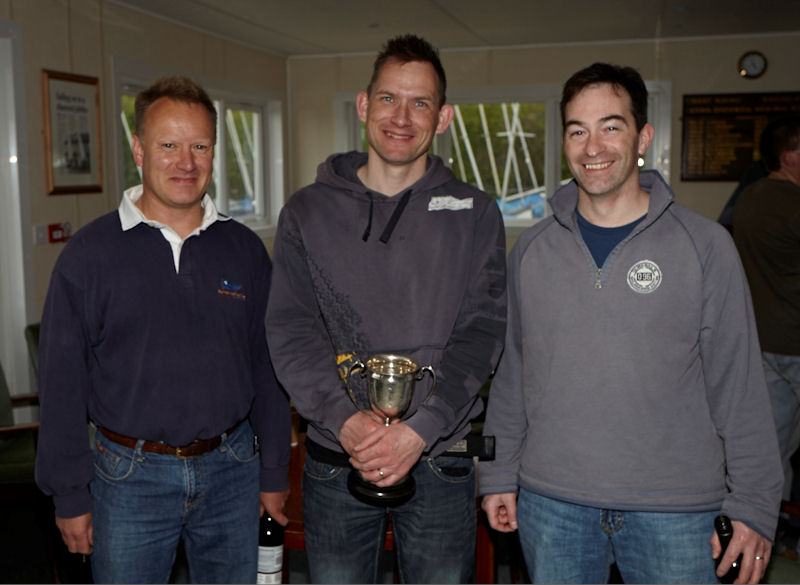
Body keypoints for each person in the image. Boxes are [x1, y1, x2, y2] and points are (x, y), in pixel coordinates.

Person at [479, 62, 783, 584]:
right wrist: (499, 471)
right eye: (578, 130)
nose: (592, 146)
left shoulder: (706, 246)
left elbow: (741, 386)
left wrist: (754, 501)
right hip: (553, 506)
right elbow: (513, 373)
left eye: (610, 126)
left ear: (643, 136)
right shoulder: (532, 249)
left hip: (678, 512)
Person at [265, 34, 506, 583]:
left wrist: (420, 429)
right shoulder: (306, 212)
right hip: (337, 452)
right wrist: (346, 422)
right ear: (363, 105)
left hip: (440, 455)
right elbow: (292, 330)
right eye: (389, 99)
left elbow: (482, 333)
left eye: (420, 102)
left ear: (443, 117)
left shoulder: (475, 213)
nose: (402, 117)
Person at [35, 76, 290, 583]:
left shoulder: (243, 250)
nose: (185, 161)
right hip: (128, 478)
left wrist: (274, 473)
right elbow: (61, 383)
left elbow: (268, 369)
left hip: (233, 469)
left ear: (213, 151)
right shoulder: (89, 256)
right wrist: (70, 493)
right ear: (138, 149)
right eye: (168, 145)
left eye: (199, 145)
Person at [733, 115, 800, 504]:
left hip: (761, 341)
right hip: (792, 341)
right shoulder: (792, 204)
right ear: (789, 157)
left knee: (772, 453)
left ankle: (766, 535)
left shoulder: (747, 198)